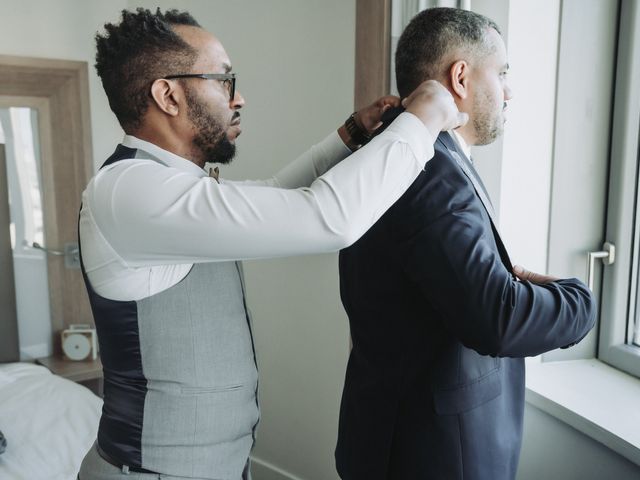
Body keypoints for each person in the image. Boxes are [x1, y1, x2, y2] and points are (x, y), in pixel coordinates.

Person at [77, 7, 466, 480]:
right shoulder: (128, 190)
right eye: (223, 80)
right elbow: (328, 218)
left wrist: (352, 134)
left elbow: (278, 195)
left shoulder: (171, 187)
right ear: (169, 95)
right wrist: (424, 117)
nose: (239, 98)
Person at [336, 7, 596, 480]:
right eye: (501, 73)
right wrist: (579, 301)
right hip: (433, 455)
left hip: (394, 433)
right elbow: (497, 317)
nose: (508, 90)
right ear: (461, 76)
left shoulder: (393, 151)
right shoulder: (430, 171)